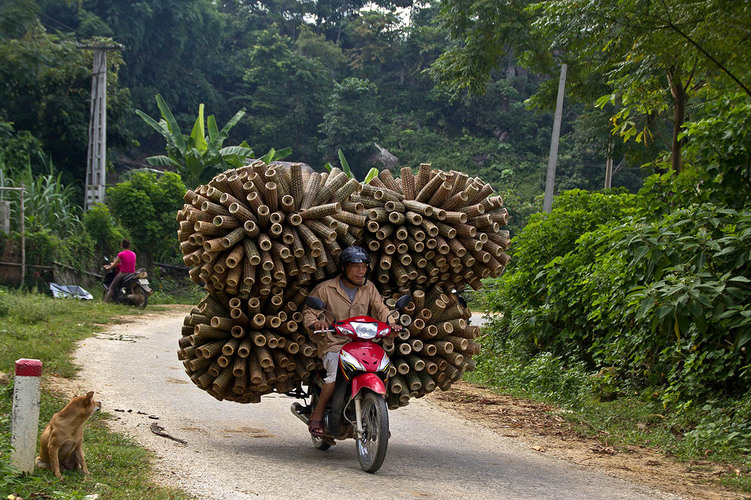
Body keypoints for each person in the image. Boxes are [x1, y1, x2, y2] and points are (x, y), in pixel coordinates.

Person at [302, 245, 401, 437]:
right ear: (344, 268)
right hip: (335, 342)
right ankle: (318, 414)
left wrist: (392, 324)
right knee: (334, 374)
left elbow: (381, 309)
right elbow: (309, 313)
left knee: (382, 368)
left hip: (363, 343)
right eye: (356, 266)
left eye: (364, 266)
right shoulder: (326, 289)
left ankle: (377, 417)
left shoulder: (369, 287)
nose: (361, 271)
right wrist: (317, 323)